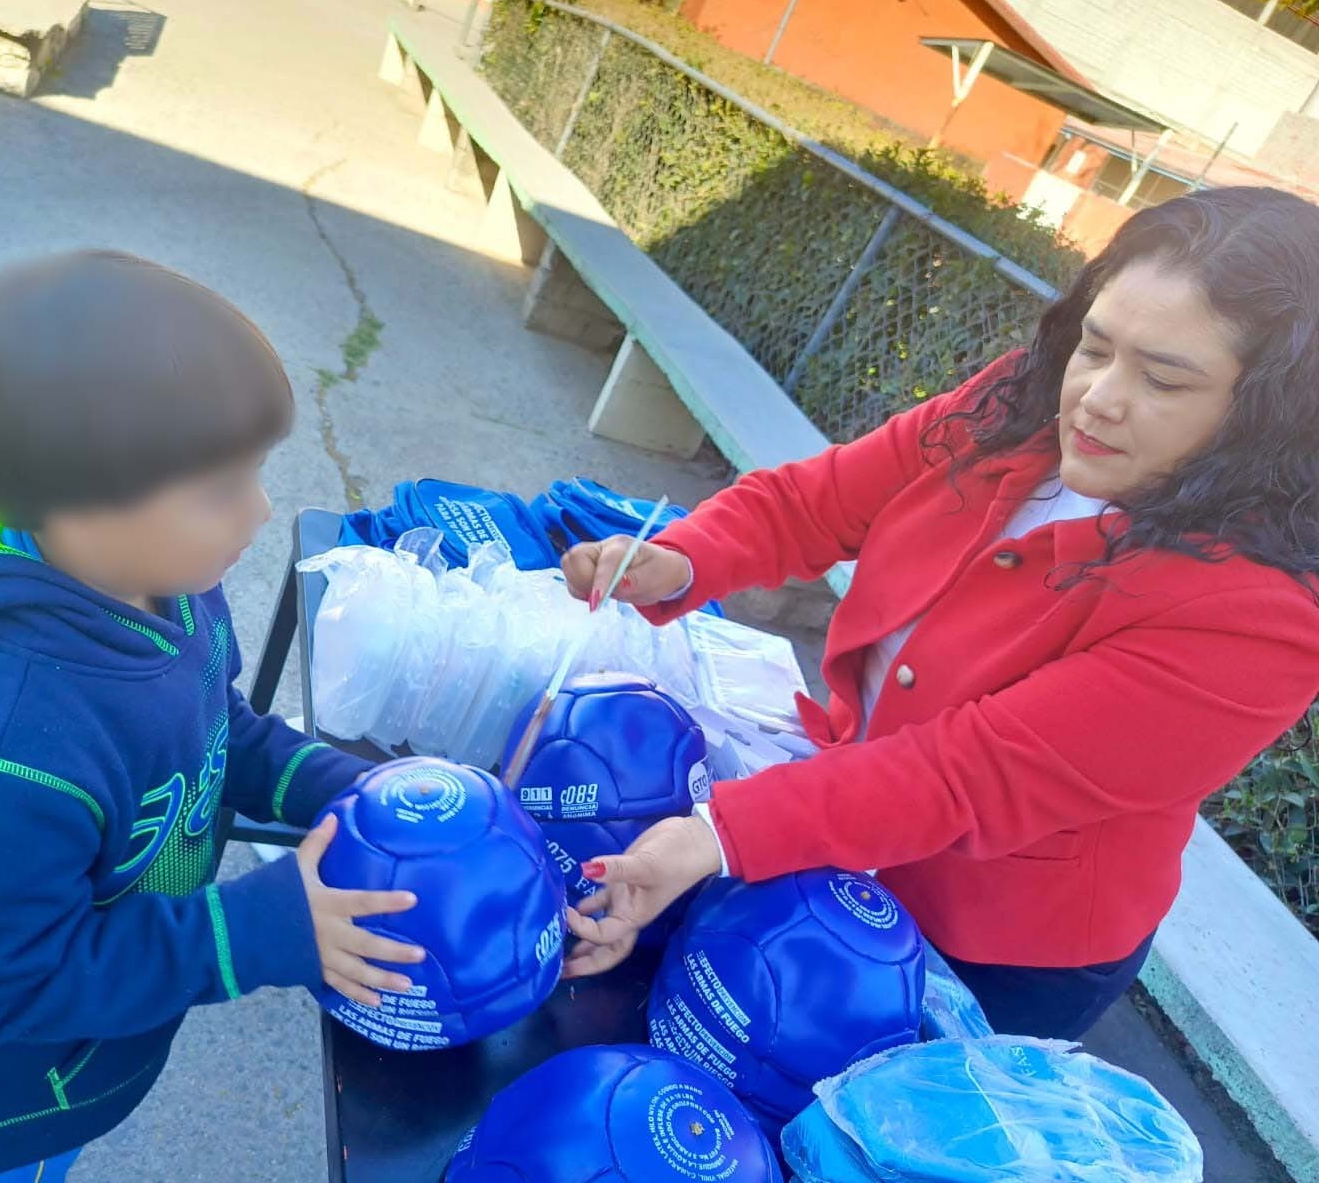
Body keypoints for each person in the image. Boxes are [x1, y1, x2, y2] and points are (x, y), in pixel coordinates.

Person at [559, 186, 1319, 1039]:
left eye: (1164, 379)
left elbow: (970, 773)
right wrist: (684, 559)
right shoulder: (1020, 406)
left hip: (997, 944)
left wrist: (719, 834)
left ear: (1268, 420)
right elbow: (821, 499)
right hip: (837, 826)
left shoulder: (1262, 617)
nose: (1100, 398)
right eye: (1095, 347)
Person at [0, 251, 423, 1183]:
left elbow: (213, 728)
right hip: (0, 1101)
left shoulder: (171, 592)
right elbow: (7, 982)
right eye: (222, 488)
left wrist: (340, 786)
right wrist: (255, 931)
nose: (264, 508)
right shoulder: (5, 753)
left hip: (77, 1060)